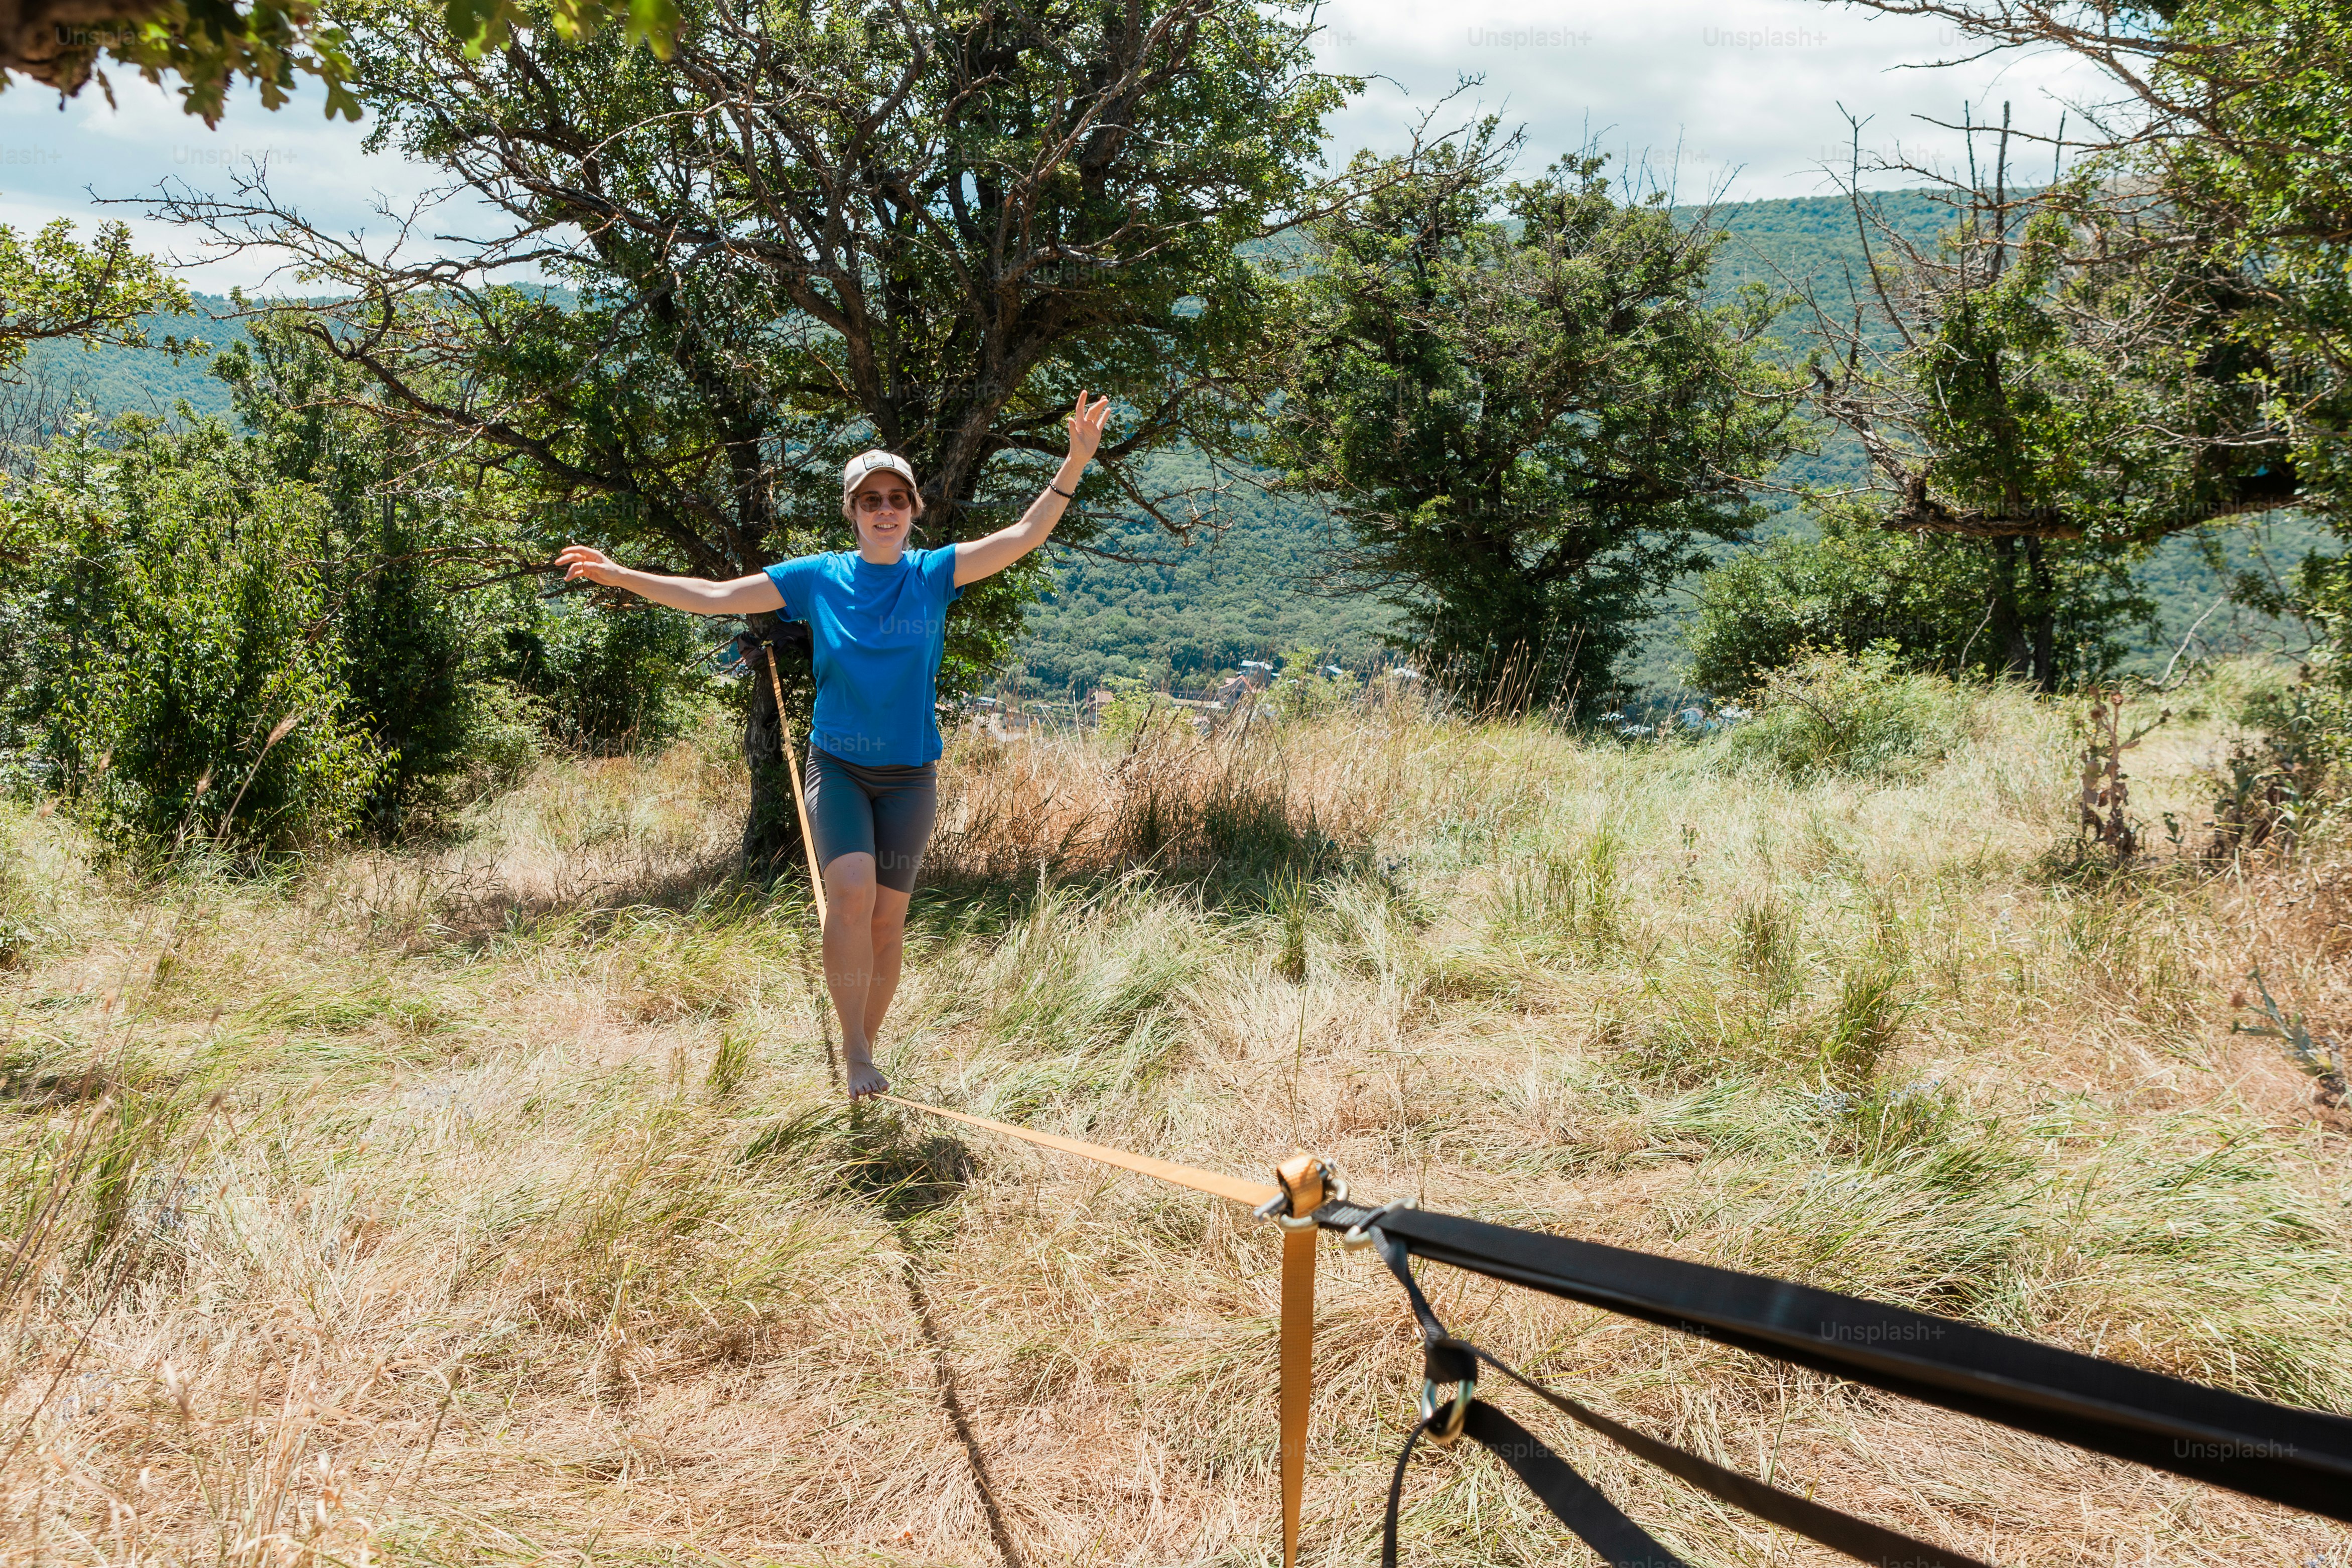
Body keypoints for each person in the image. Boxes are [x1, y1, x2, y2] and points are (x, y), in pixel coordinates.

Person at [555, 391, 1113, 1099]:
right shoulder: (817, 578)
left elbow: (1023, 536)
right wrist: (621, 575)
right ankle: (852, 1054)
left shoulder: (933, 575)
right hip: (840, 767)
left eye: (898, 499)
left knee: (888, 921)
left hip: (911, 776)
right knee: (849, 896)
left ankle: (867, 1049)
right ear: (852, 512)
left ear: (913, 510)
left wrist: (1074, 462)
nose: (885, 510)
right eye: (870, 499)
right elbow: (715, 596)